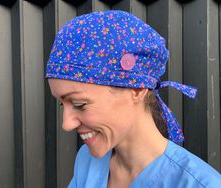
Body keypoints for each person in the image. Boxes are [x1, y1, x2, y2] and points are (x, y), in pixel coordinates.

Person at [46, 10, 221, 188]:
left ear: (136, 89)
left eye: (79, 104)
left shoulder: (198, 184)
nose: (66, 125)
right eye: (62, 103)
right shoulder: (87, 160)